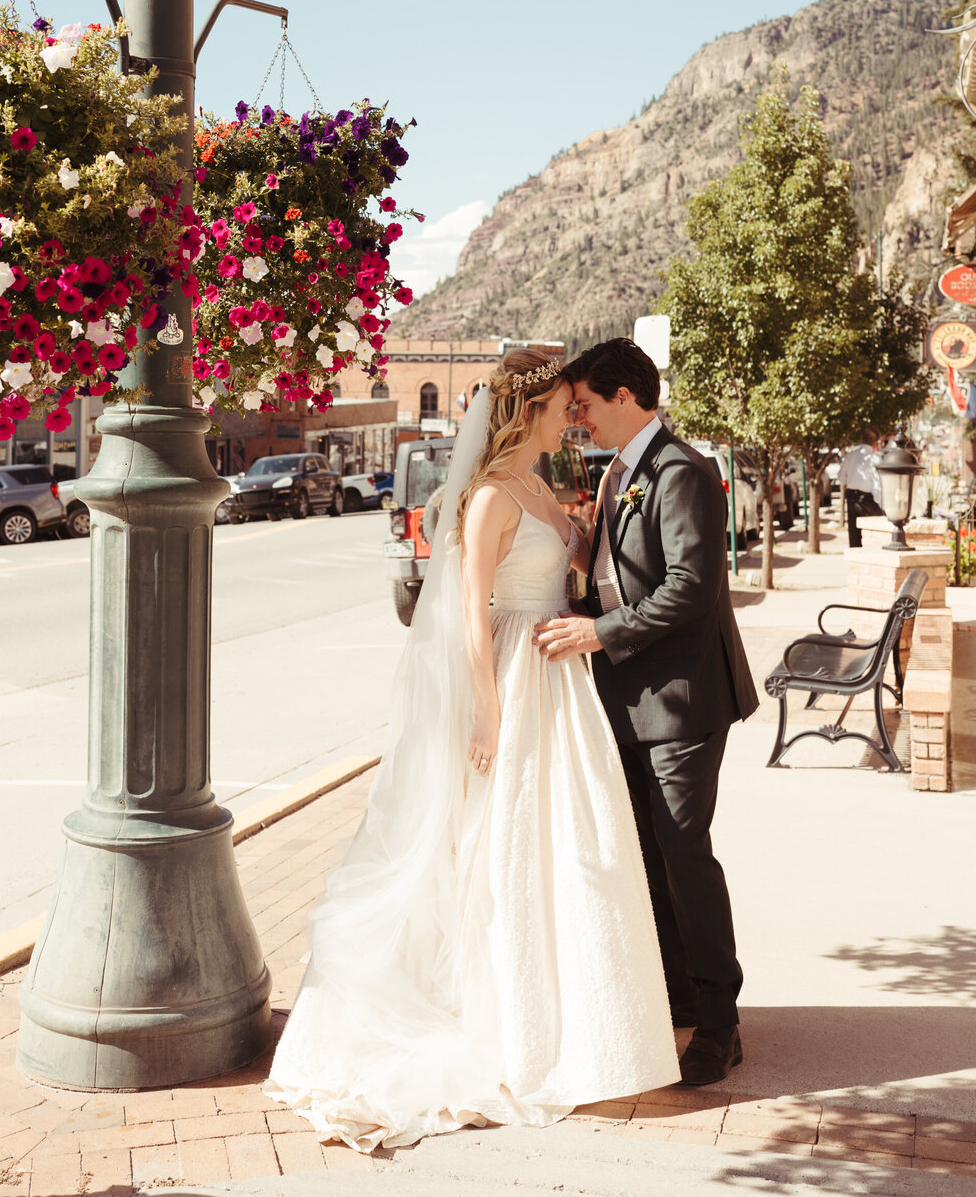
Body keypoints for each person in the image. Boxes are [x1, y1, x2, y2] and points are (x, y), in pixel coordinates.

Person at [265, 349, 680, 1151]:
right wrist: (487, 712)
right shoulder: (491, 496)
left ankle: (579, 1022)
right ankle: (512, 1022)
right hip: (516, 675)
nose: (572, 417)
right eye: (562, 407)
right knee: (506, 843)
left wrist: (583, 540)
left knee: (567, 847)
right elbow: (465, 609)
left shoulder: (539, 486)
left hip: (560, 674)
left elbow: (566, 572)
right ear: (527, 412)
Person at [535, 338, 758, 1087]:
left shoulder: (680, 471)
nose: (578, 420)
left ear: (624, 397)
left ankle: (720, 1023)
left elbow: (693, 586)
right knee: (647, 854)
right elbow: (618, 577)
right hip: (625, 694)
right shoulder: (618, 476)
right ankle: (677, 994)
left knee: (683, 851)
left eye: (586, 406)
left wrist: (599, 632)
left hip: (681, 698)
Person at [839, 428, 883, 549]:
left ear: (862, 439)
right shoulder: (875, 459)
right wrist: (881, 505)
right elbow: (877, 486)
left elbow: (841, 477)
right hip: (867, 499)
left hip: (852, 497)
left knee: (854, 534)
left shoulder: (850, 456)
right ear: (875, 442)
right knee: (872, 532)